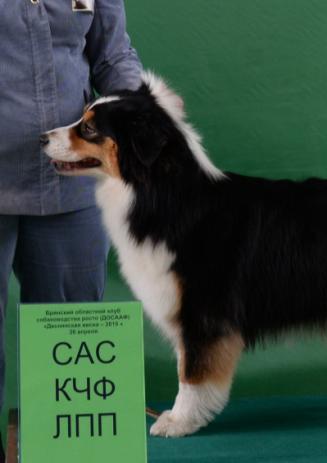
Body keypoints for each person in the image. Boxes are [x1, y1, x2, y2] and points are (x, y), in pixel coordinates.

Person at [0, 0, 142, 456]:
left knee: (71, 338)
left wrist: (142, 111)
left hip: (73, 180)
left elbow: (111, 56)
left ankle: (67, 457)